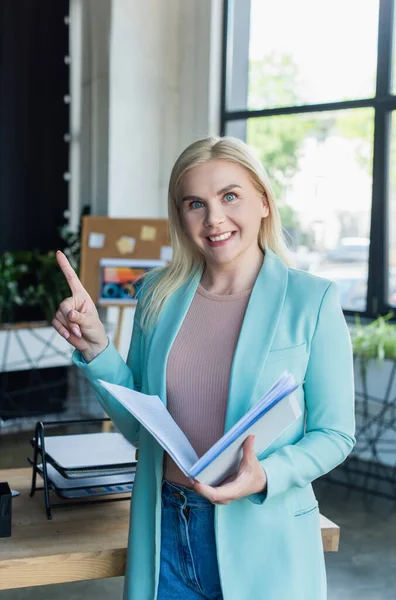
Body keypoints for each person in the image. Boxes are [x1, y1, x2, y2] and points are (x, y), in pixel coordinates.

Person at [53, 136, 355, 600]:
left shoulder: (310, 300)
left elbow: (335, 434)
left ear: (264, 202)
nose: (214, 218)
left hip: (264, 538)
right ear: (181, 217)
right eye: (195, 203)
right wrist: (97, 349)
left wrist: (267, 475)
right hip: (166, 530)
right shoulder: (157, 294)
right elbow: (140, 428)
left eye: (230, 196)